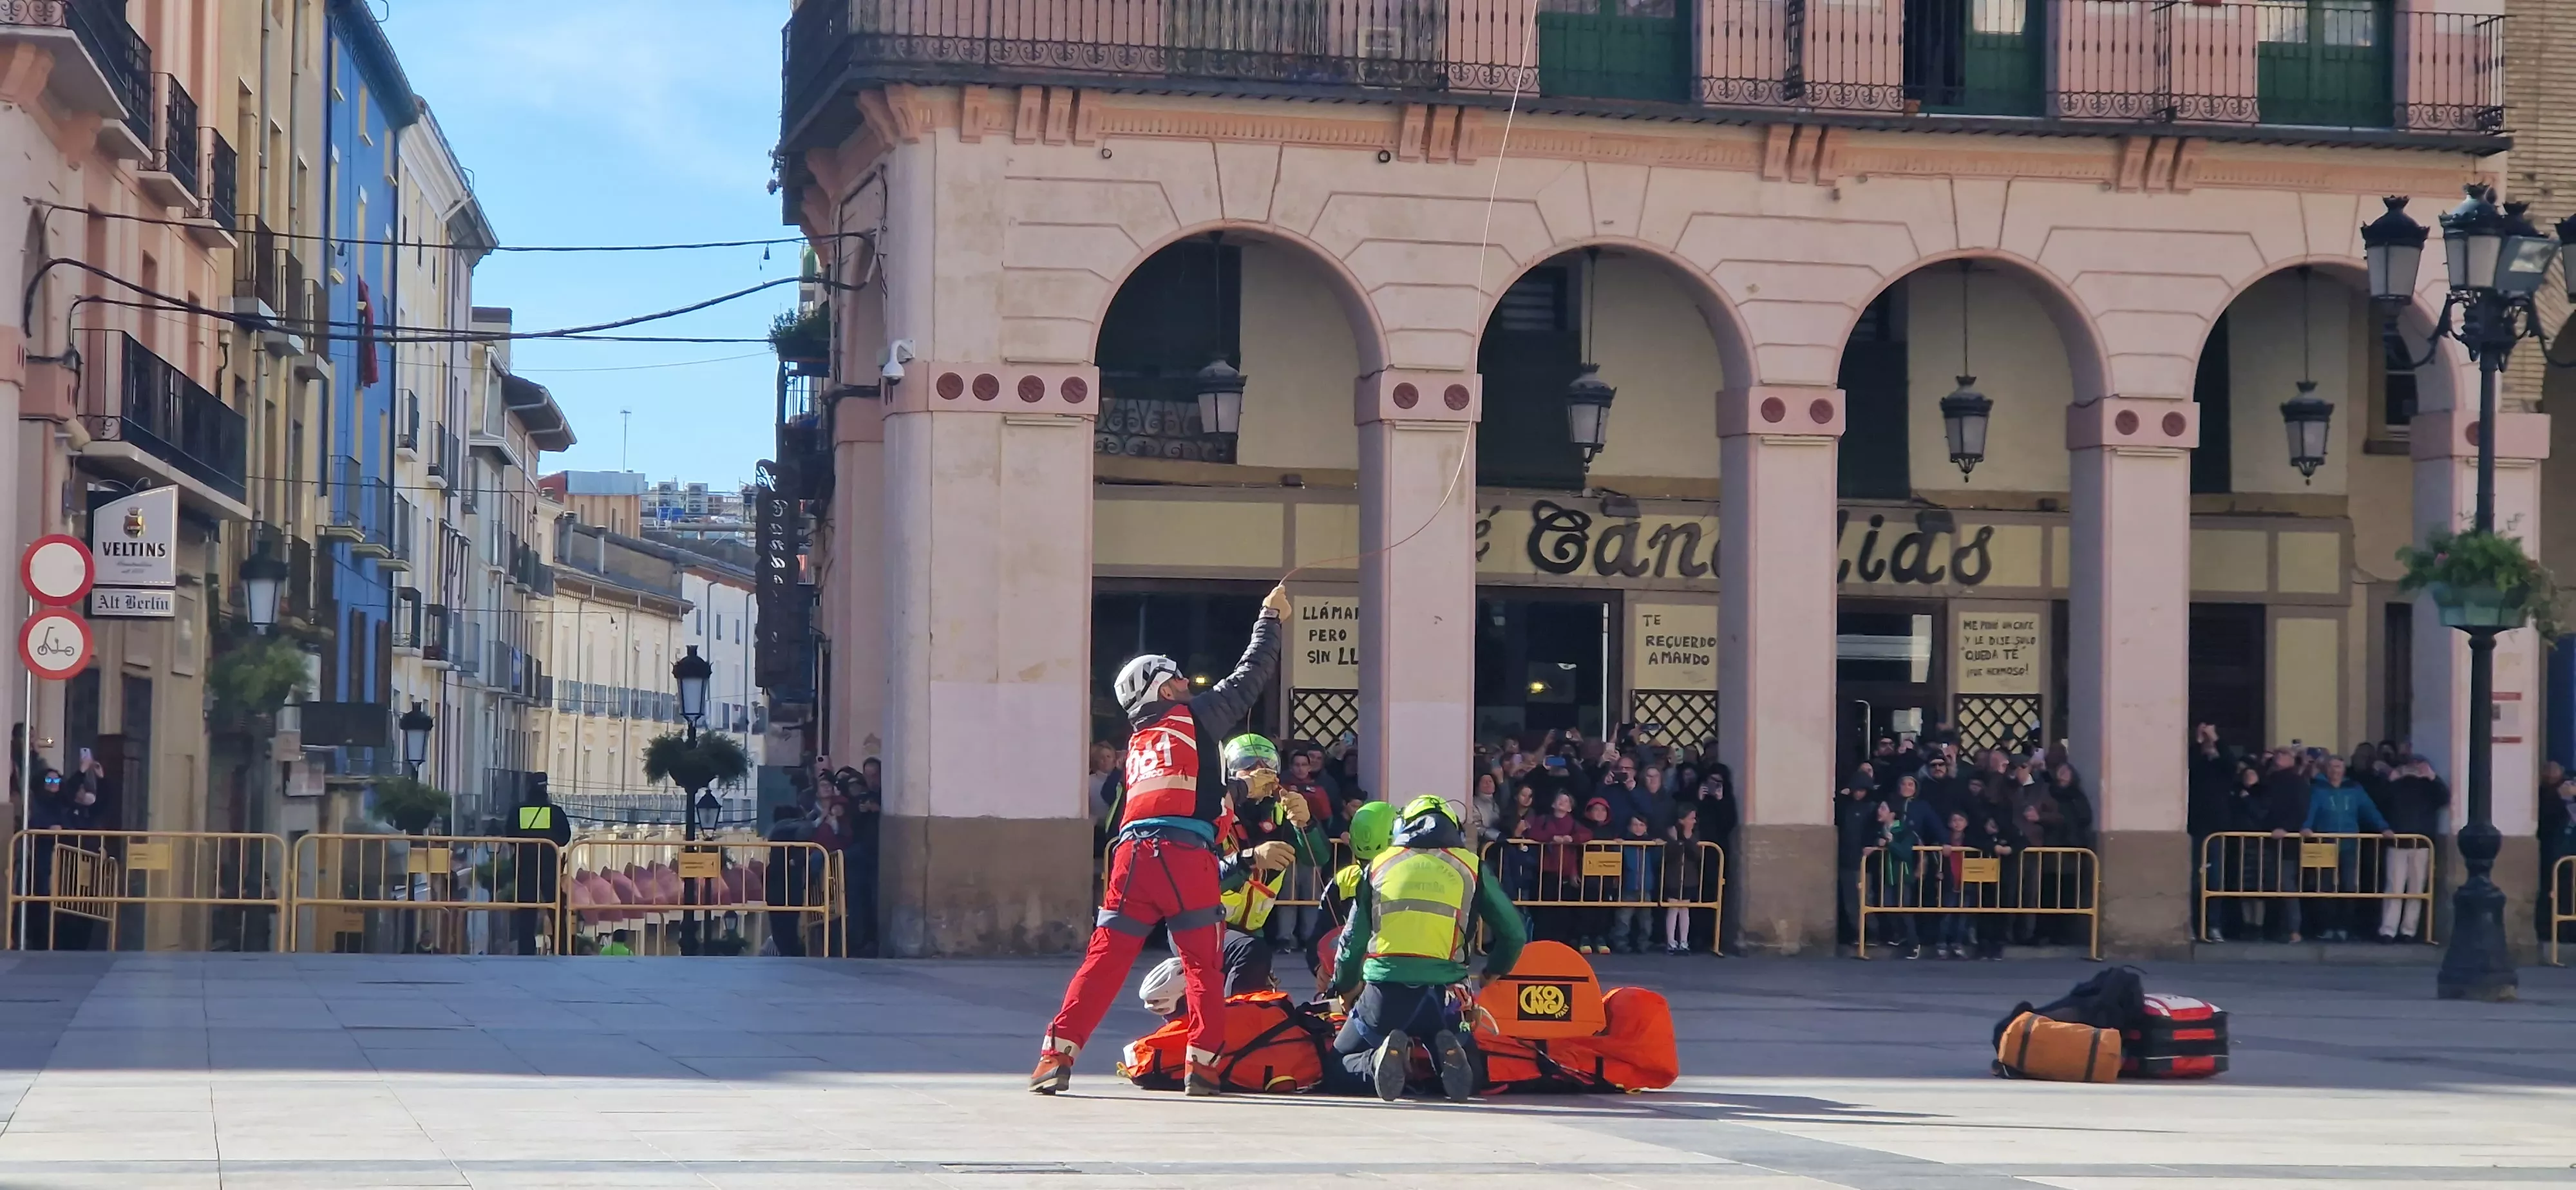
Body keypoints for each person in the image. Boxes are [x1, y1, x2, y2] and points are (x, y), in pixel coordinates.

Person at [1033, 584, 1289, 1097]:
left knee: (1103, 961)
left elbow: (1184, 793)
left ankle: (1054, 1058)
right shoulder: (1193, 717)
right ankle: (1202, 1067)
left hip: (1130, 859)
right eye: (1176, 677)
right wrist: (1271, 619)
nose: (1186, 683)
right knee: (1203, 962)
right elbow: (1250, 676)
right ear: (1162, 690)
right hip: (1184, 858)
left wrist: (1239, 788)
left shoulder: (1139, 743)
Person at [1330, 795, 1527, 1102]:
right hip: (1448, 995)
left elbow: (1353, 940)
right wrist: (1494, 970)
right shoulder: (1471, 867)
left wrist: (1344, 985)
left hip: (1386, 994)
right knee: (1471, 1072)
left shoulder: (1379, 865)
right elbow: (1514, 933)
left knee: (1338, 1064)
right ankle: (1445, 1047)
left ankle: (1375, 1062)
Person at [1213, 735, 1325, 996]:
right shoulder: (1212, 810)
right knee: (1249, 956)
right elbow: (1200, 879)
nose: (1258, 772)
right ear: (1229, 773)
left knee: (1258, 992)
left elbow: (1317, 858)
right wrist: (1250, 860)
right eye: (1248, 766)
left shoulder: (1279, 811)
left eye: (1266, 766)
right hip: (1201, 926)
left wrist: (1307, 823)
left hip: (1253, 931)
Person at [2301, 754, 2392, 941]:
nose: (2336, 771)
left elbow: (2369, 809)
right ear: (2327, 769)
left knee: (2349, 885)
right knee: (2324, 886)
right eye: (2333, 767)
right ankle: (2326, 927)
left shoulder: (2354, 789)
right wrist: (2307, 826)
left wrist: (2383, 827)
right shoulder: (2318, 789)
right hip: (2324, 842)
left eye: (2340, 767)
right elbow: (2311, 810)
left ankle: (2345, 927)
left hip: (2349, 843)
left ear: (2344, 769)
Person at [2372, 755, 2445, 943]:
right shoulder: (2396, 785)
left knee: (2416, 889)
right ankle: (2388, 929)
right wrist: (2391, 780)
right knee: (2394, 888)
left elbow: (2444, 797)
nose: (2413, 769)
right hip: (2398, 842)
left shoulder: (2429, 787)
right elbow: (2381, 801)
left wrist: (2433, 778)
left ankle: (2408, 930)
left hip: (2421, 843)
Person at [508, 774, 571, 956]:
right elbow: (564, 837)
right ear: (545, 789)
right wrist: (549, 843)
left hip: (524, 865)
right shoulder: (555, 812)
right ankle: (562, 947)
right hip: (548, 864)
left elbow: (510, 836)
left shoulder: (517, 811)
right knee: (556, 909)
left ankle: (526, 950)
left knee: (527, 909)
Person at [763, 803, 819, 956]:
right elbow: (810, 829)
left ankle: (787, 951)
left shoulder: (776, 832)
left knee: (779, 926)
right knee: (790, 924)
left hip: (775, 885)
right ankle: (791, 952)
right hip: (790, 884)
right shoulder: (796, 831)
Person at [1610, 813, 1661, 954]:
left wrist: (1658, 846)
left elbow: (1658, 861)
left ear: (1646, 828)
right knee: (1623, 918)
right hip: (1628, 887)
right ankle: (1621, 943)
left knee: (1646, 920)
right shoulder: (1625, 844)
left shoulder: (1651, 845)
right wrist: (1617, 845)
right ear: (1629, 827)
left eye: (1641, 825)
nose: (1638, 828)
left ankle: (1643, 943)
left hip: (1646, 887)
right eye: (1635, 824)